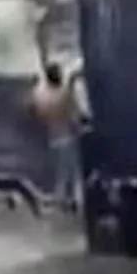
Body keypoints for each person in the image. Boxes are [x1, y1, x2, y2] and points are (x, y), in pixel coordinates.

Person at [30, 61, 83, 212]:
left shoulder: (41, 97)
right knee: (74, 173)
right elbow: (75, 116)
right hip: (67, 136)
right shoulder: (64, 94)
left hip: (52, 138)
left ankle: (62, 201)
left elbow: (34, 106)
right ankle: (76, 202)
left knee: (60, 174)